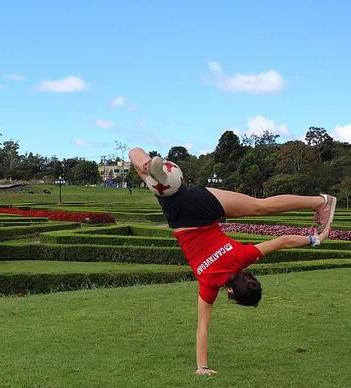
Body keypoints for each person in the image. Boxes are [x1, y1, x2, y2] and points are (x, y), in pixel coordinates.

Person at [128, 147, 337, 376]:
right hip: (178, 216)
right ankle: (155, 173)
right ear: (229, 293)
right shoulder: (208, 284)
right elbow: (202, 328)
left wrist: (315, 239)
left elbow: (284, 240)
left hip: (202, 202)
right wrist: (202, 367)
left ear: (248, 278)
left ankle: (320, 202)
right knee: (138, 160)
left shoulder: (242, 258)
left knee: (261, 206)